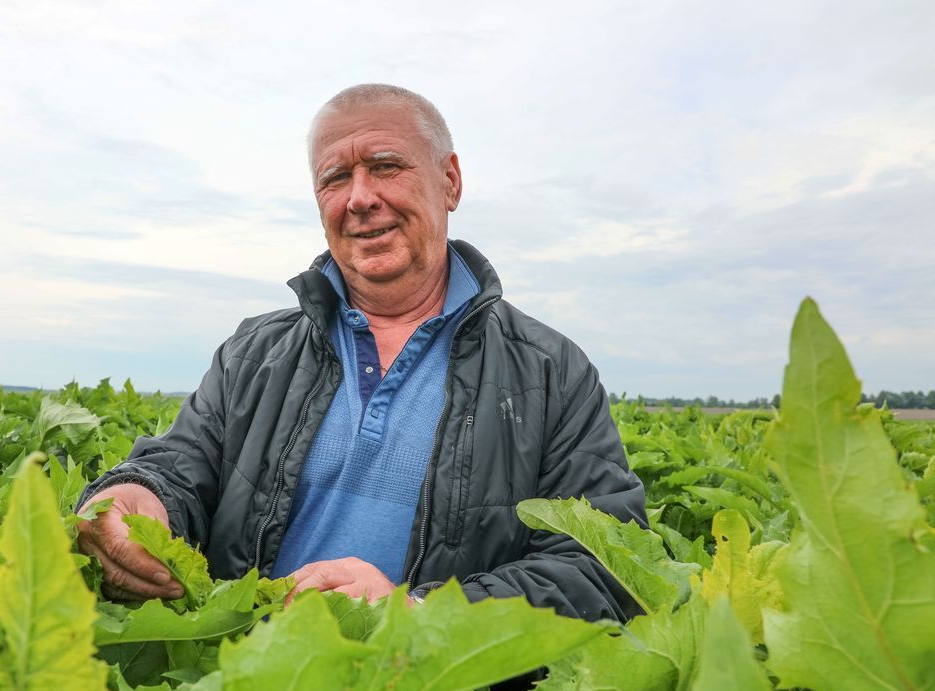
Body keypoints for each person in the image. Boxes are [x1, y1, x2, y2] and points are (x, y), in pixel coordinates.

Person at [76, 84, 645, 622]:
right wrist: (130, 499)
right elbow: (178, 468)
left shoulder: (550, 373)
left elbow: (604, 571)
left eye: (386, 166)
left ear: (450, 181)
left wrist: (414, 615)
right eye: (335, 178)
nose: (361, 197)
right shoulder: (253, 353)